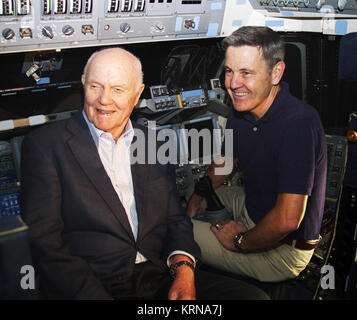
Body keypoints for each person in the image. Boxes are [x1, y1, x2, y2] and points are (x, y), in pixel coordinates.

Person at [21, 47, 270, 300]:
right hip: (95, 282)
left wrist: (183, 269)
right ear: (83, 85)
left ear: (137, 94)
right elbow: (45, 244)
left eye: (118, 89)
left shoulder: (154, 143)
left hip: (158, 274)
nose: (104, 99)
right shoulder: (46, 145)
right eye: (95, 86)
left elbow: (175, 218)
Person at [187, 26, 327, 282]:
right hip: (253, 207)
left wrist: (239, 240)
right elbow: (226, 162)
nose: (233, 84)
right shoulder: (241, 110)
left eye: (246, 73)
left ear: (276, 72)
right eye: (229, 71)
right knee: (182, 199)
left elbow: (286, 221)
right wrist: (197, 196)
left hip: (284, 251)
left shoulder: (299, 124)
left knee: (178, 231)